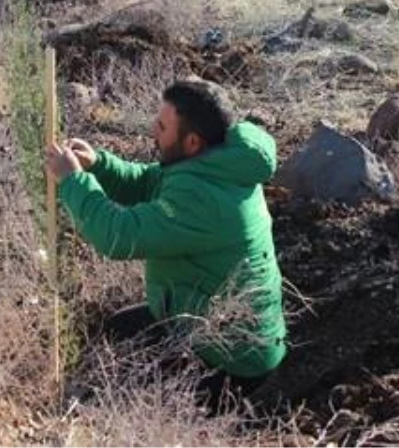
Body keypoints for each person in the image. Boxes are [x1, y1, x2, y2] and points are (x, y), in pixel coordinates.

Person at [44, 79, 286, 409]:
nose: (152, 130)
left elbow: (118, 236)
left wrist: (73, 182)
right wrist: (99, 164)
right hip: (198, 321)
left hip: (228, 364)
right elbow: (150, 181)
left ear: (191, 142)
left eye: (161, 126)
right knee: (112, 334)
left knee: (117, 394)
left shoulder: (203, 199)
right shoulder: (216, 162)